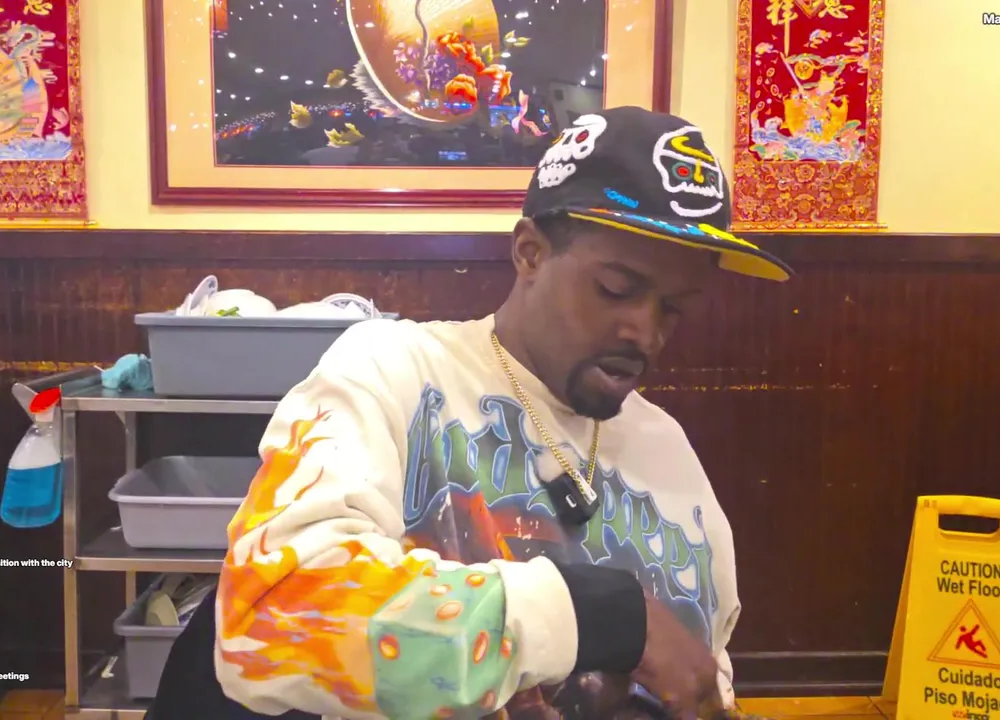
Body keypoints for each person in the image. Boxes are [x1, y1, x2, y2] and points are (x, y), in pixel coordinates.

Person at [148, 107, 792, 720]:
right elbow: (269, 613)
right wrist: (602, 617)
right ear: (530, 253)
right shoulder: (391, 374)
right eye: (616, 289)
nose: (645, 333)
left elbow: (705, 669)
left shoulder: (666, 448)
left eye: (674, 308)